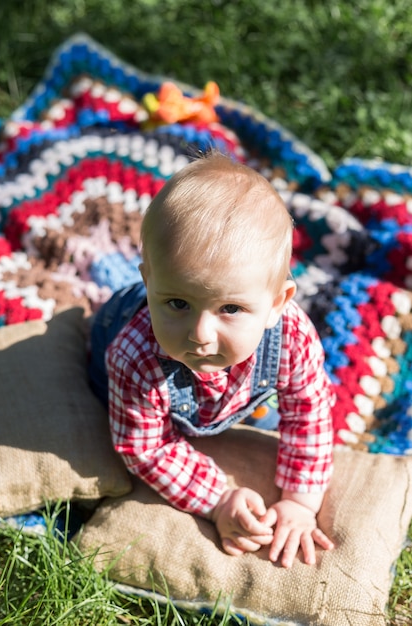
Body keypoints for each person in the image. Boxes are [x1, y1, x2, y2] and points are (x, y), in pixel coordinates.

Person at [89, 151, 335, 568]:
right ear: (148, 280)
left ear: (278, 303)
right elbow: (144, 449)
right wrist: (219, 499)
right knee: (104, 406)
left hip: (228, 389)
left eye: (231, 309)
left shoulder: (292, 335)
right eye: (178, 302)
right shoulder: (134, 355)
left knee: (283, 415)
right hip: (111, 347)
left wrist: (299, 502)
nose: (200, 335)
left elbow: (310, 411)